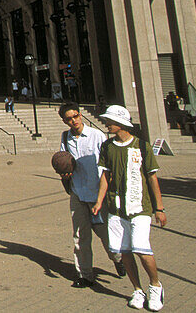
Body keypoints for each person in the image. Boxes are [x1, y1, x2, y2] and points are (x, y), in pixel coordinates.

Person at [91, 105, 167, 312]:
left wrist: (159, 208)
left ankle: (155, 285)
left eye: (110, 121)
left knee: (142, 249)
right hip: (116, 208)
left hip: (140, 207)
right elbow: (105, 176)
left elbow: (152, 177)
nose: (106, 124)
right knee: (124, 251)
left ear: (122, 123)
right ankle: (137, 289)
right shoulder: (107, 147)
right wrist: (99, 201)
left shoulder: (143, 146)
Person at [56, 102, 124, 288]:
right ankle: (85, 275)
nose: (74, 121)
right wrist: (64, 173)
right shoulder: (65, 137)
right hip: (77, 193)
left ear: (80, 115)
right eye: (69, 119)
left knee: (106, 235)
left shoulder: (97, 136)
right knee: (80, 237)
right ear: (64, 121)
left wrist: (106, 194)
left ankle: (118, 259)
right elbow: (65, 161)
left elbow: (107, 166)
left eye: (76, 116)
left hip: (97, 194)